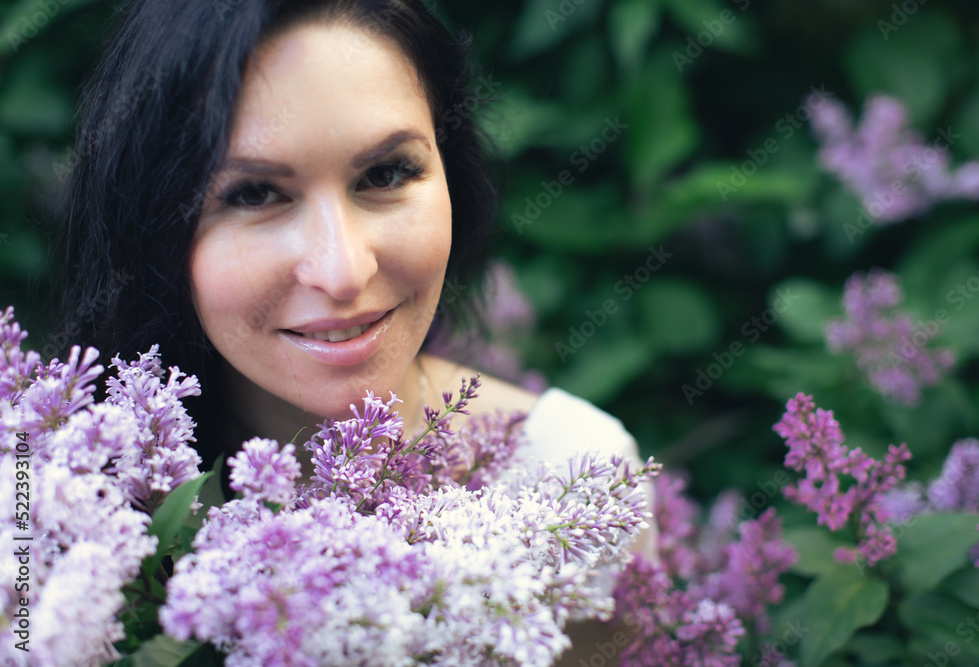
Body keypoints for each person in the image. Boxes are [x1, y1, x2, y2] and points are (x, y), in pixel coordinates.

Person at [56, 0, 650, 662]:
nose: (343, 271)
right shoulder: (47, 509)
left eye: (385, 174)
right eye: (254, 193)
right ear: (149, 225)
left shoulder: (576, 484)